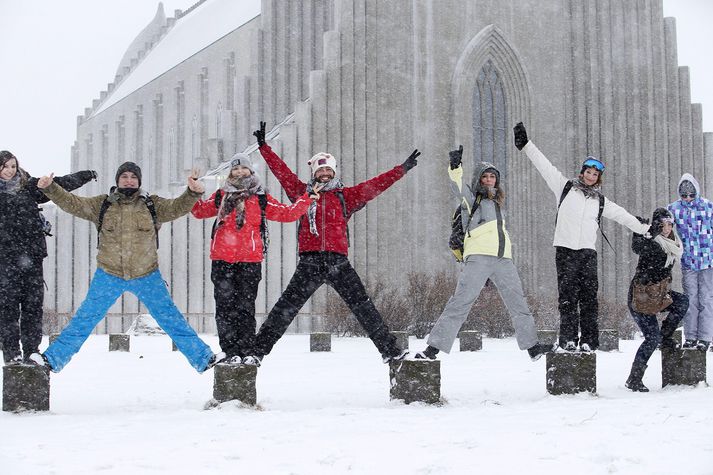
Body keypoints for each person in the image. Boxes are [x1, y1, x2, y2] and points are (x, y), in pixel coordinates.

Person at [241, 121, 419, 366]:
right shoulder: (301, 192)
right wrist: (264, 148)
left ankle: (391, 352)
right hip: (310, 262)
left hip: (338, 262)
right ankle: (257, 353)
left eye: (328, 171)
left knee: (364, 308)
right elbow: (281, 171)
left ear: (334, 172)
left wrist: (401, 169)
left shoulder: (347, 196)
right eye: (320, 171)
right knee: (285, 310)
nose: (324, 174)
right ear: (314, 173)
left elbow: (377, 185)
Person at [28, 162, 224, 372]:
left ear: (139, 181)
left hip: (147, 274)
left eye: (133, 176)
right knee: (84, 320)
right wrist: (50, 188)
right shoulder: (102, 204)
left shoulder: (152, 205)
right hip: (109, 274)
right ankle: (53, 360)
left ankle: (204, 358)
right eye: (124, 176)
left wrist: (192, 194)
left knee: (171, 319)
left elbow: (177, 207)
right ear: (117, 180)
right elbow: (72, 203)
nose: (128, 180)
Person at [513, 122, 650, 352]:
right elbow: (545, 166)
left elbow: (623, 216)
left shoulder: (601, 201)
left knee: (588, 299)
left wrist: (644, 229)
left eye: (595, 174)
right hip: (565, 251)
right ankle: (567, 339)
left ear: (598, 179)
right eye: (588, 172)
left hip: (587, 253)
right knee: (567, 298)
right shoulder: (565, 188)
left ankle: (588, 340)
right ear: (582, 172)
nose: (590, 176)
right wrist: (526, 145)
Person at [414, 146, 554, 361]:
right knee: (461, 302)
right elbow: (457, 186)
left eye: (492, 177)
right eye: (485, 177)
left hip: (503, 259)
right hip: (478, 257)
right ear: (479, 180)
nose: (489, 180)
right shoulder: (472, 200)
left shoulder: (499, 203)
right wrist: (455, 167)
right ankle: (432, 348)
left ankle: (532, 347)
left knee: (518, 303)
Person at [191, 152, 315, 364]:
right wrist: (192, 193)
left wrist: (306, 200)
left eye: (243, 168)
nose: (239, 172)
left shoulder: (260, 197)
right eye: (235, 168)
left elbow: (287, 213)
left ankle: (246, 350)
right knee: (224, 308)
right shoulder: (222, 195)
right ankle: (230, 351)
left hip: (250, 261)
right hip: (222, 260)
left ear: (250, 171)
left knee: (245, 308)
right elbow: (200, 211)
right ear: (230, 173)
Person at [0, 150, 96, 365]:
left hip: (32, 258)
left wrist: (85, 175)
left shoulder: (28, 186)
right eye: (5, 166)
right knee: (7, 309)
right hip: (4, 262)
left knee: (33, 307)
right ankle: (11, 353)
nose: (10, 171)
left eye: (13, 166)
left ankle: (32, 351)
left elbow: (59, 184)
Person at [625, 208, 687, 392]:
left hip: (659, 295)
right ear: (656, 225)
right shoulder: (652, 242)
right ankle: (633, 379)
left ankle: (665, 337)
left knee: (683, 302)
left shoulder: (673, 244)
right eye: (662, 224)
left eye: (669, 224)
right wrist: (639, 230)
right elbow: (637, 247)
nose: (667, 227)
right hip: (641, 299)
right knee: (651, 338)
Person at [668, 173, 713, 351]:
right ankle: (691, 336)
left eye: (691, 195)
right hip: (688, 262)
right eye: (684, 195)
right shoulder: (673, 209)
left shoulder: (708, 206)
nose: (688, 198)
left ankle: (705, 337)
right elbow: (665, 229)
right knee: (690, 300)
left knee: (706, 299)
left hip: (708, 261)